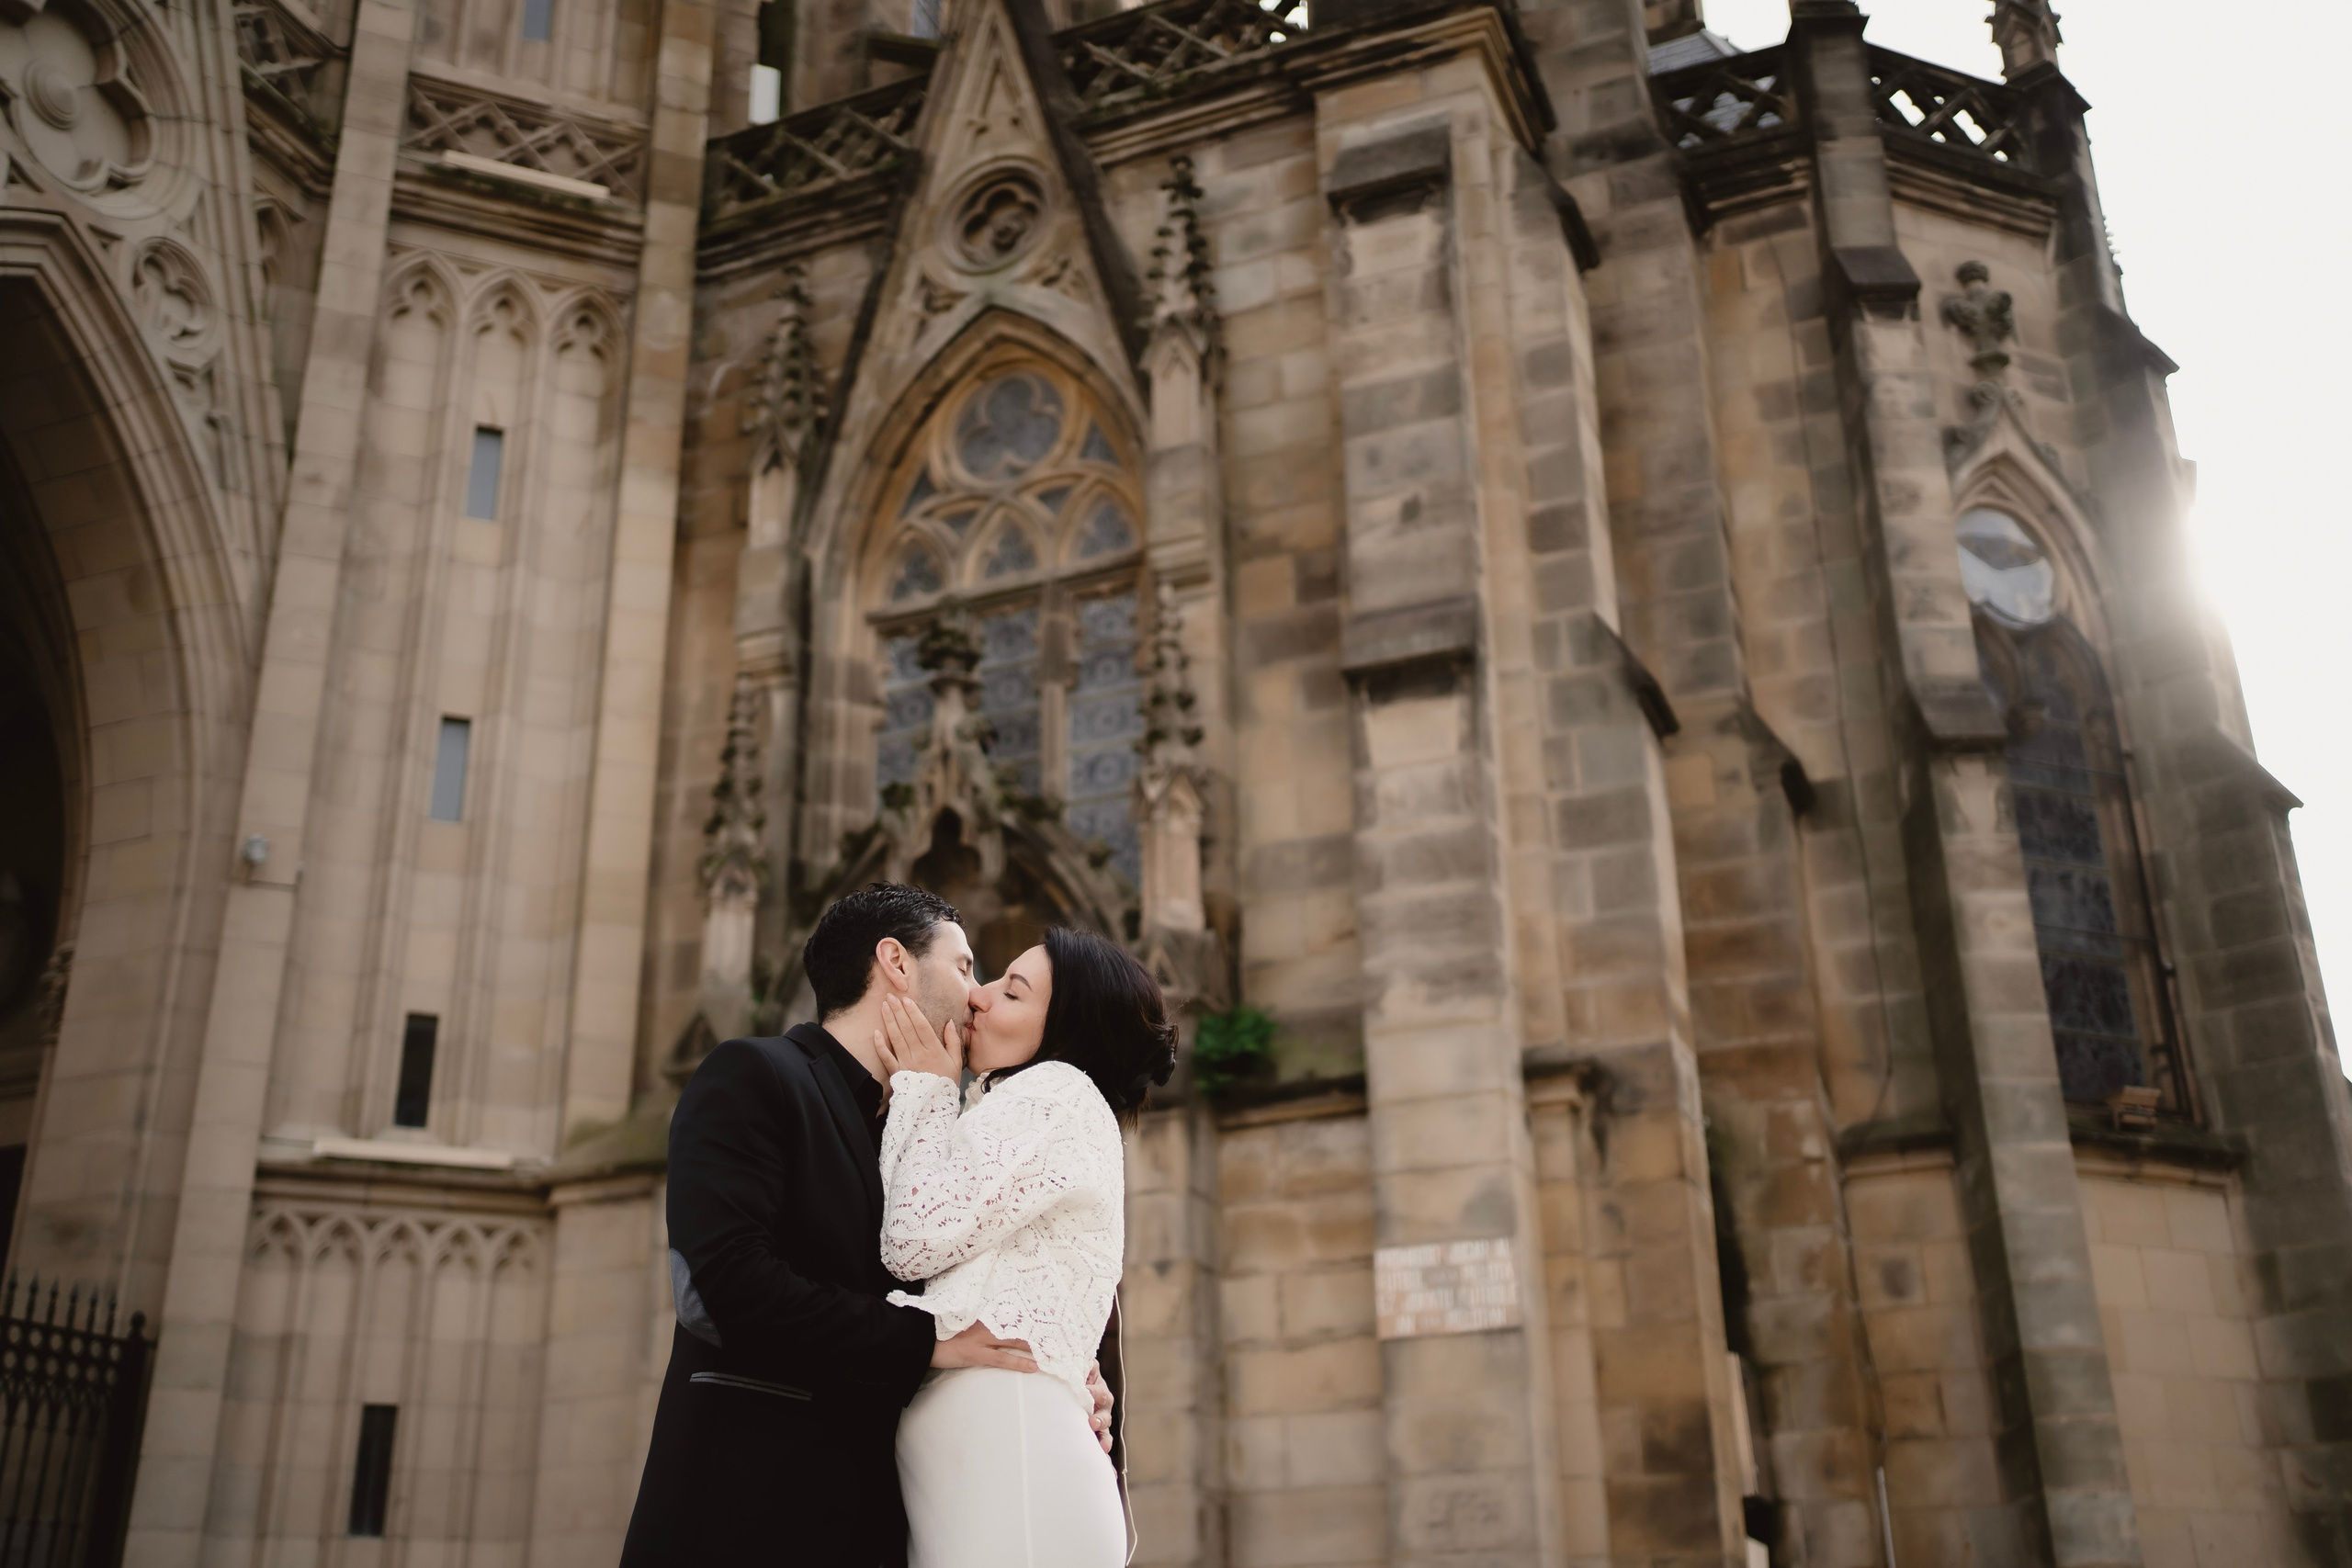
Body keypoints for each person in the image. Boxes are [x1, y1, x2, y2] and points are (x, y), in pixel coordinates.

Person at [617, 884, 1110, 1567]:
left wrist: (1057, 1365)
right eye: (966, 966)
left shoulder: (940, 1134)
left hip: (891, 1525)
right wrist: (926, 1341)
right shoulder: (757, 1075)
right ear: (896, 962)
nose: (977, 995)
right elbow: (719, 1288)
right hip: (748, 1516)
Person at [871, 925, 1178, 1568]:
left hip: (1013, 1459)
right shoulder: (1018, 1106)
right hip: (995, 1462)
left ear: (1065, 1029)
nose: (977, 998)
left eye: (1012, 992)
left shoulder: (1058, 1092)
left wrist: (925, 1085)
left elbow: (912, 1235)